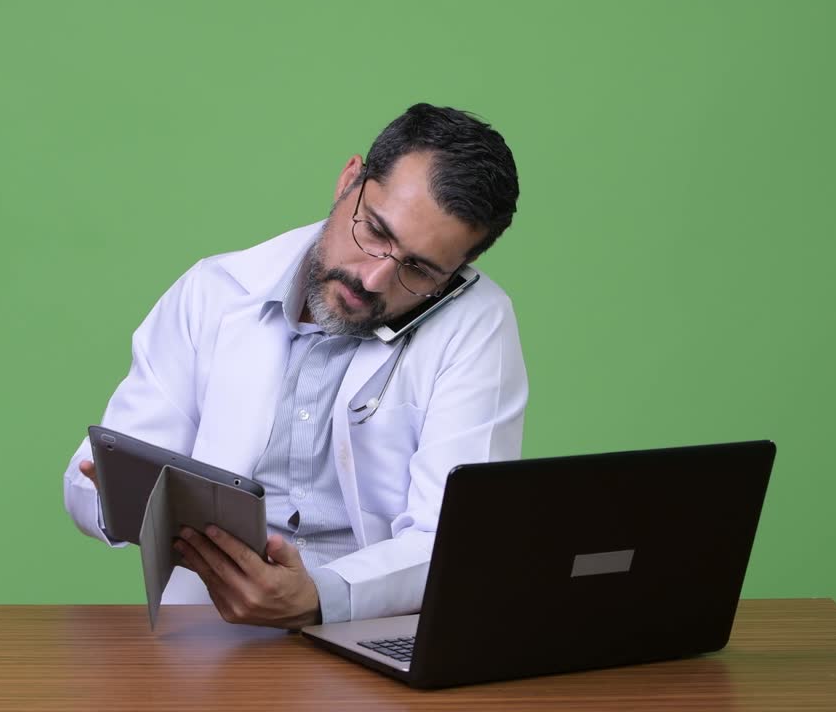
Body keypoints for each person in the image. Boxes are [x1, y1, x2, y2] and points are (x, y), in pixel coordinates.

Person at [63, 103, 526, 629]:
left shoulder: (477, 323)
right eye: (375, 231)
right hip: (207, 632)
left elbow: (454, 538)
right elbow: (91, 478)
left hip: (374, 632)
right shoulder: (214, 292)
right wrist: (118, 499)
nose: (374, 279)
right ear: (350, 179)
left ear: (457, 273)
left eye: (418, 269)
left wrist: (319, 597)